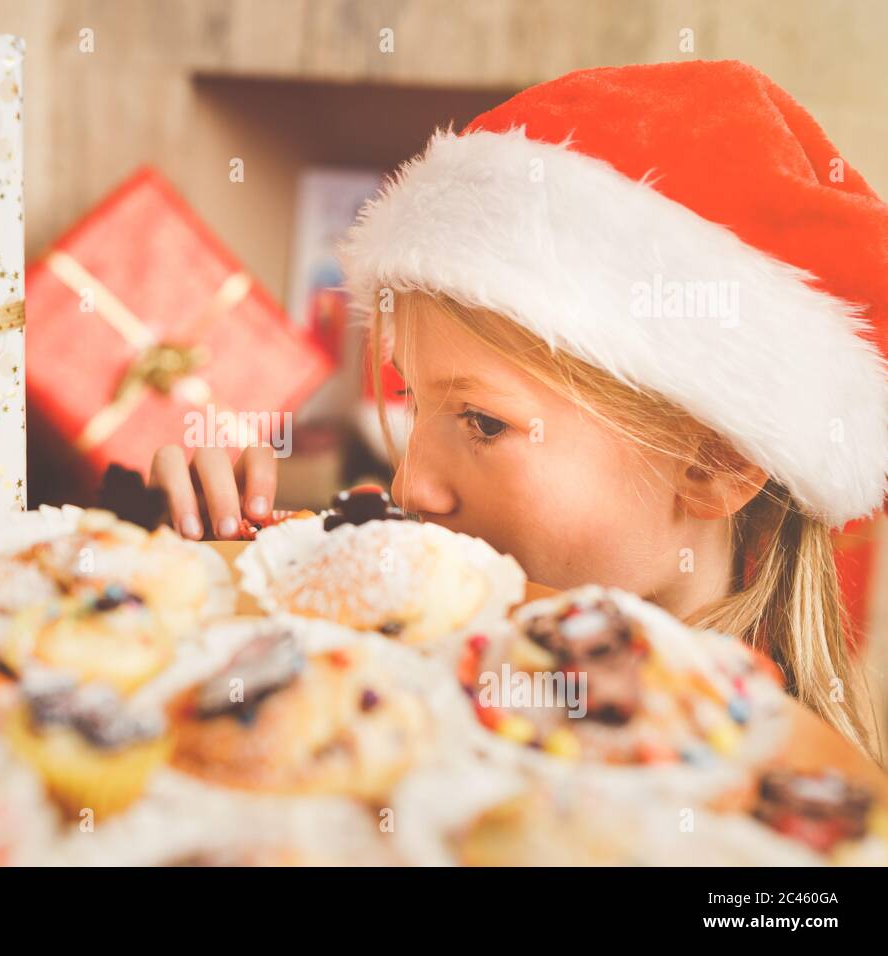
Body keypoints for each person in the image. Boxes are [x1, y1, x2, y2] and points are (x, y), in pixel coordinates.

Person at [151, 60, 888, 754]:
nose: (411, 486)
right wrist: (206, 591)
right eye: (412, 396)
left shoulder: (748, 793)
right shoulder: (434, 651)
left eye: (482, 422)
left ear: (712, 463)